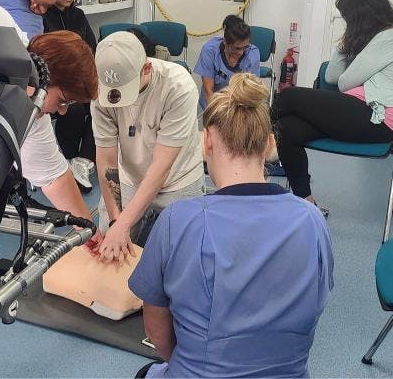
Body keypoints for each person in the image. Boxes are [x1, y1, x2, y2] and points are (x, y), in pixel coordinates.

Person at [129, 73, 334, 378]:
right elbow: (315, 305)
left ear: (207, 141)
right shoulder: (312, 220)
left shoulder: (177, 220)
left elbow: (156, 329)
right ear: (270, 144)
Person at [273, 0, 393, 206]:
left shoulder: (388, 37)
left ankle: (245, 147)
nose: (347, 23)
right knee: (286, 128)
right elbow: (331, 76)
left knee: (289, 96)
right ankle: (305, 203)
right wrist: (345, 43)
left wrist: (349, 43)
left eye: (349, 19)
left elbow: (345, 83)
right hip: (359, 112)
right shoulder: (371, 39)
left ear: (362, 16)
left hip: (378, 118)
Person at [91, 31, 204, 265]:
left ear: (147, 68)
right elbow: (106, 160)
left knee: (181, 261)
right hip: (128, 177)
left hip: (178, 179)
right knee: (108, 252)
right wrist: (115, 221)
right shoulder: (100, 93)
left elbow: (161, 167)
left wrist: (123, 224)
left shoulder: (178, 86)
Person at [22, 30, 102, 251]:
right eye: (63, 100)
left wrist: (89, 233)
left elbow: (53, 177)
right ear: (41, 77)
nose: (62, 111)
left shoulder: (36, 115)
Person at [42, 0, 97, 192]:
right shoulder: (42, 15)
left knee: (102, 105)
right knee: (73, 110)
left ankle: (82, 161)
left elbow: (92, 48)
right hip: (55, 84)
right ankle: (68, 160)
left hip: (79, 81)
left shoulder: (79, 15)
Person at [194, 15, 260, 109]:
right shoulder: (210, 50)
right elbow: (208, 91)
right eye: (237, 48)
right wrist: (215, 114)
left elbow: (250, 92)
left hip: (240, 102)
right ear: (225, 42)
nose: (241, 52)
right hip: (214, 100)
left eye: (245, 47)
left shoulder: (252, 54)